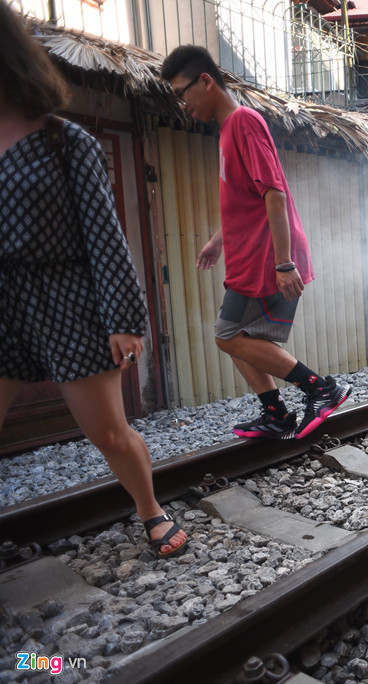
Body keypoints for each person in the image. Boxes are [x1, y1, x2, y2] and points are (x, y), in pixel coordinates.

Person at [0, 3, 187, 557]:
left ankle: (150, 510)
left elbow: (105, 237)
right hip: (2, 304)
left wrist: (125, 320)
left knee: (106, 432)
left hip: (66, 300)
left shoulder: (65, 141)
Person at [161, 46, 351, 440]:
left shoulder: (244, 121)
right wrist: (218, 240)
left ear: (206, 81)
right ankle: (276, 414)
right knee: (236, 337)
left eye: (183, 93)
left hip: (268, 256)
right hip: (250, 254)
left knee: (227, 335)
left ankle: (321, 389)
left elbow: (274, 193)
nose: (183, 104)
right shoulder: (228, 129)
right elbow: (245, 202)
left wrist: (284, 263)